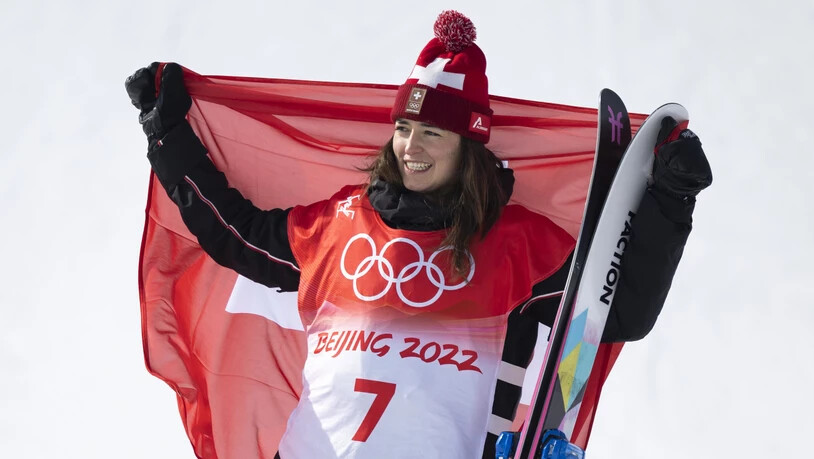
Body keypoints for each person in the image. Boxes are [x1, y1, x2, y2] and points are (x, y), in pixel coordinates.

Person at [125, 10, 711, 459]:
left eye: (433, 132)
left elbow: (616, 311)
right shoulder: (341, 224)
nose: (411, 147)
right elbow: (237, 232)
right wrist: (167, 136)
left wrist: (671, 199)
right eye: (404, 128)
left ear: (468, 145)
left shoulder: (515, 244)